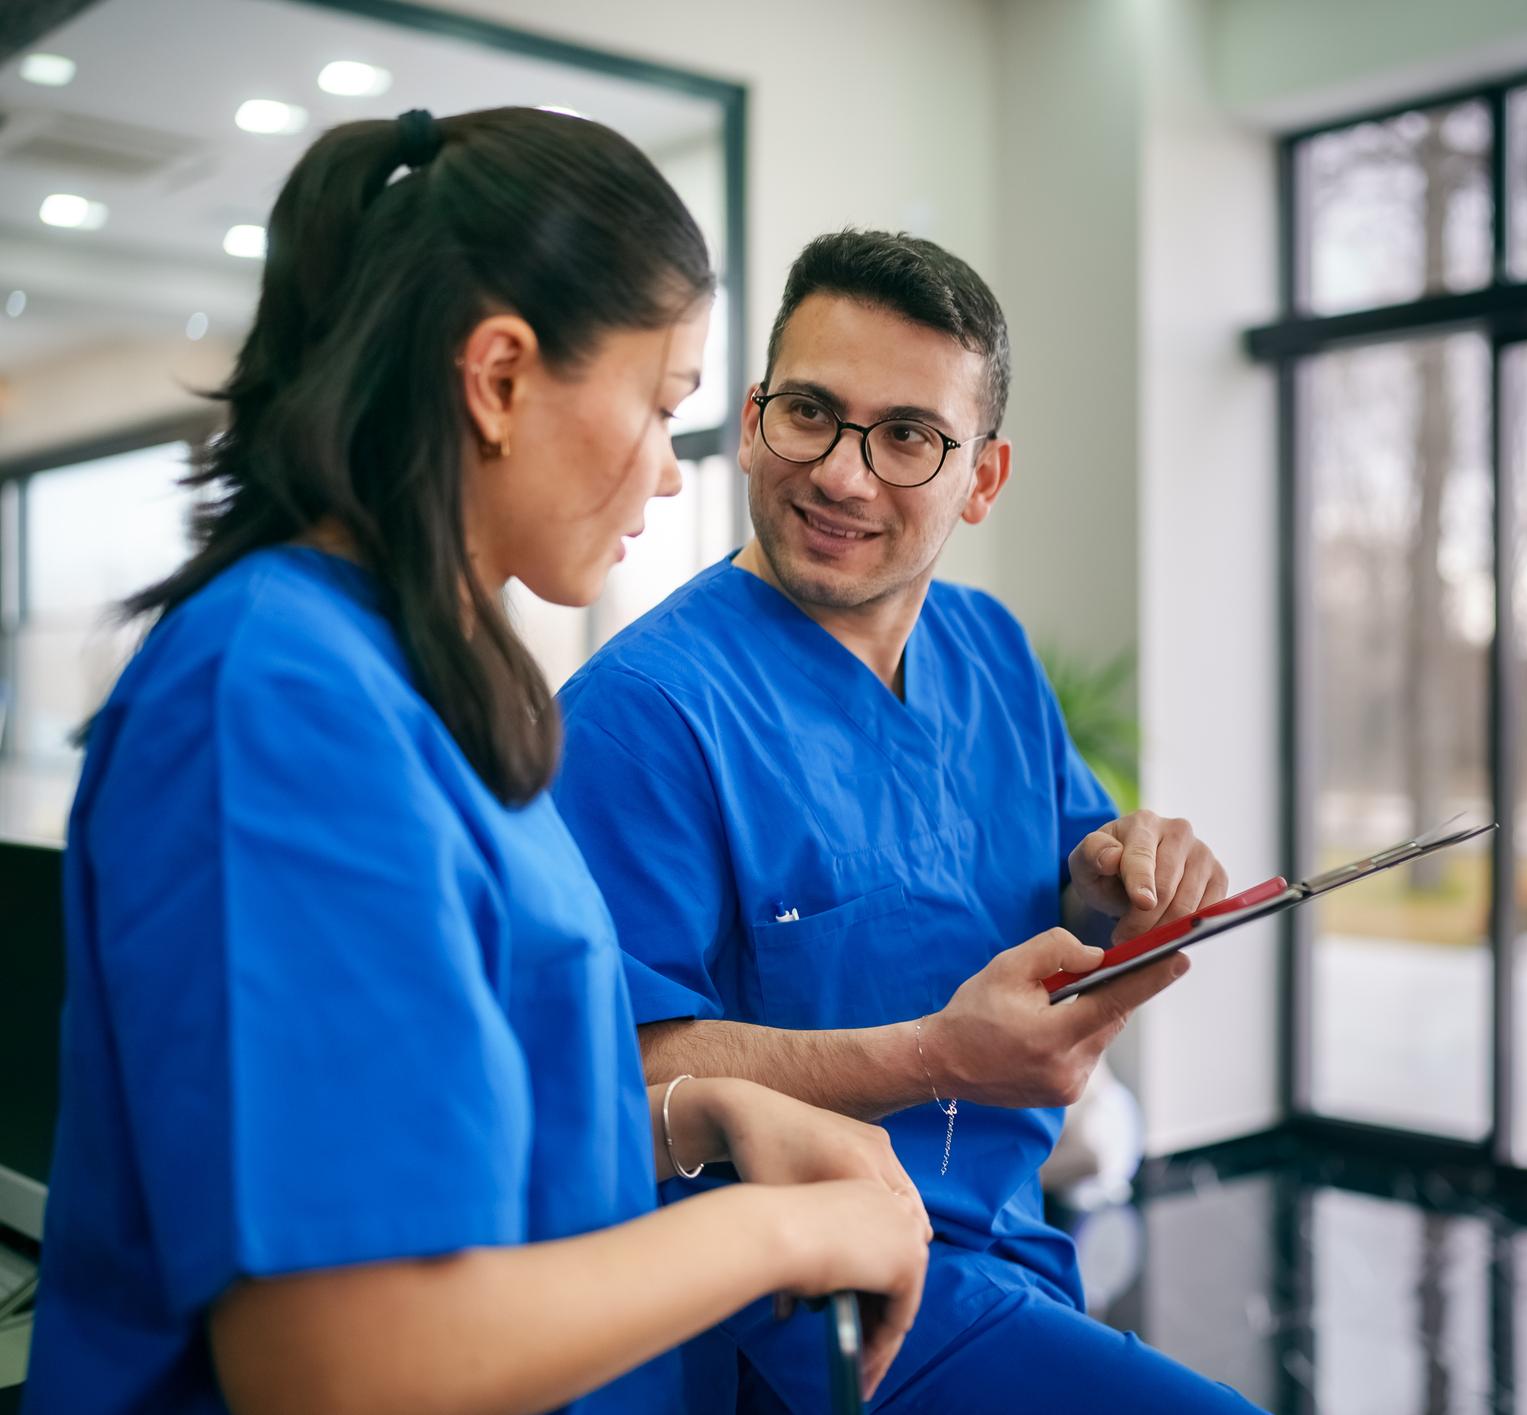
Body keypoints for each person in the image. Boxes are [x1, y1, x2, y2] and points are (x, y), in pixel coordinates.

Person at [25, 111, 929, 1415]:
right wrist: (784, 1233)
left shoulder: (419, 675)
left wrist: (699, 1114)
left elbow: (478, 1112)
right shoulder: (275, 699)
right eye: (659, 405)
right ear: (500, 375)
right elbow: (348, 1357)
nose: (668, 480)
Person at [552, 229, 1261, 1412]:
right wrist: (935, 1055)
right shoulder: (642, 714)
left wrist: (1116, 875)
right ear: (750, 417)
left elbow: (1062, 882)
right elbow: (616, 1068)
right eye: (811, 413)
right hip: (802, 1311)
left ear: (981, 477)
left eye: (908, 437)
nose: (841, 471)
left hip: (1017, 1246)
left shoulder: (989, 649)